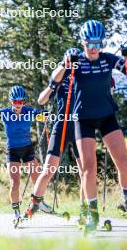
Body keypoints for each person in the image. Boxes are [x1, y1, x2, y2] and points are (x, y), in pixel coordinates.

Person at [71, 20, 127, 232]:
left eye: (98, 43)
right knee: (89, 168)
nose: (93, 48)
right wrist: (66, 62)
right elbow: (54, 79)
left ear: (102, 43)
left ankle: (126, 199)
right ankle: (93, 214)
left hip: (106, 116)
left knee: (122, 160)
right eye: (89, 43)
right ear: (83, 42)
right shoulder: (76, 60)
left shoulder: (108, 59)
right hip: (83, 119)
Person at [24, 48, 87, 224]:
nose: (75, 63)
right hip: (61, 126)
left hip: (80, 127)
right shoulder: (61, 74)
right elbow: (41, 100)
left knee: (85, 172)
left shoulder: (84, 75)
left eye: (77, 60)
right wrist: (63, 67)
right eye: (72, 60)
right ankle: (33, 205)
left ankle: (85, 211)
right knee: (48, 170)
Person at [0, 85, 52, 222]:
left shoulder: (29, 111)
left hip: (27, 149)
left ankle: (39, 202)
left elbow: (44, 118)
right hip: (13, 151)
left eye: (21, 101)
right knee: (15, 182)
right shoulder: (4, 113)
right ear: (11, 102)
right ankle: (16, 212)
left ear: (24, 102)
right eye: (15, 101)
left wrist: (46, 114)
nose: (18, 104)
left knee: (37, 177)